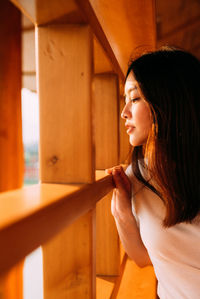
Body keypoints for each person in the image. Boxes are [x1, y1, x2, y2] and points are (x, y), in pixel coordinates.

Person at [106, 47, 200, 299]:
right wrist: (122, 212)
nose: (124, 112)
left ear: (168, 100)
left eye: (135, 98)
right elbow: (144, 257)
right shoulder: (137, 176)